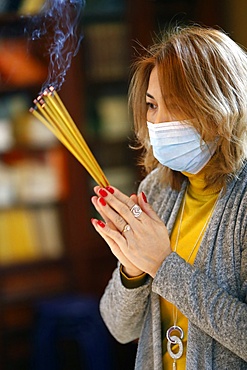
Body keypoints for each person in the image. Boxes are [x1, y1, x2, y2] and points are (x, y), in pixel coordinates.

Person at [90, 25, 247, 370]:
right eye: (151, 105)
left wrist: (162, 265)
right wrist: (133, 269)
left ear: (222, 107)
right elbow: (119, 328)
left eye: (174, 105)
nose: (157, 122)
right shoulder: (154, 190)